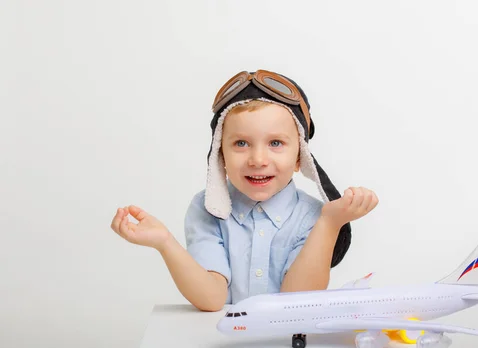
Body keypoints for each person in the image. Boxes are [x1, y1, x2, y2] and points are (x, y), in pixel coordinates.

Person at [110, 69, 378, 311]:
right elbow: (212, 299)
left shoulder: (313, 217)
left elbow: (296, 303)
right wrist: (165, 242)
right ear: (220, 155)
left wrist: (330, 224)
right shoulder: (206, 209)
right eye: (241, 143)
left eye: (275, 142)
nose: (258, 159)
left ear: (300, 157)